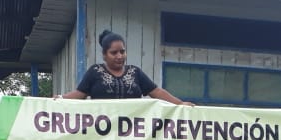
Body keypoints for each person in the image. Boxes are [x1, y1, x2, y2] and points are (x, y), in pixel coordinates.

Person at [61, 30, 192, 104]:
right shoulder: (95, 72)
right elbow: (80, 94)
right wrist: (60, 99)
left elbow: (156, 92)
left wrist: (180, 104)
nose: (119, 56)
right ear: (104, 55)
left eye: (122, 51)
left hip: (131, 134)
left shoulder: (135, 72)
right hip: (101, 133)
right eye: (114, 53)